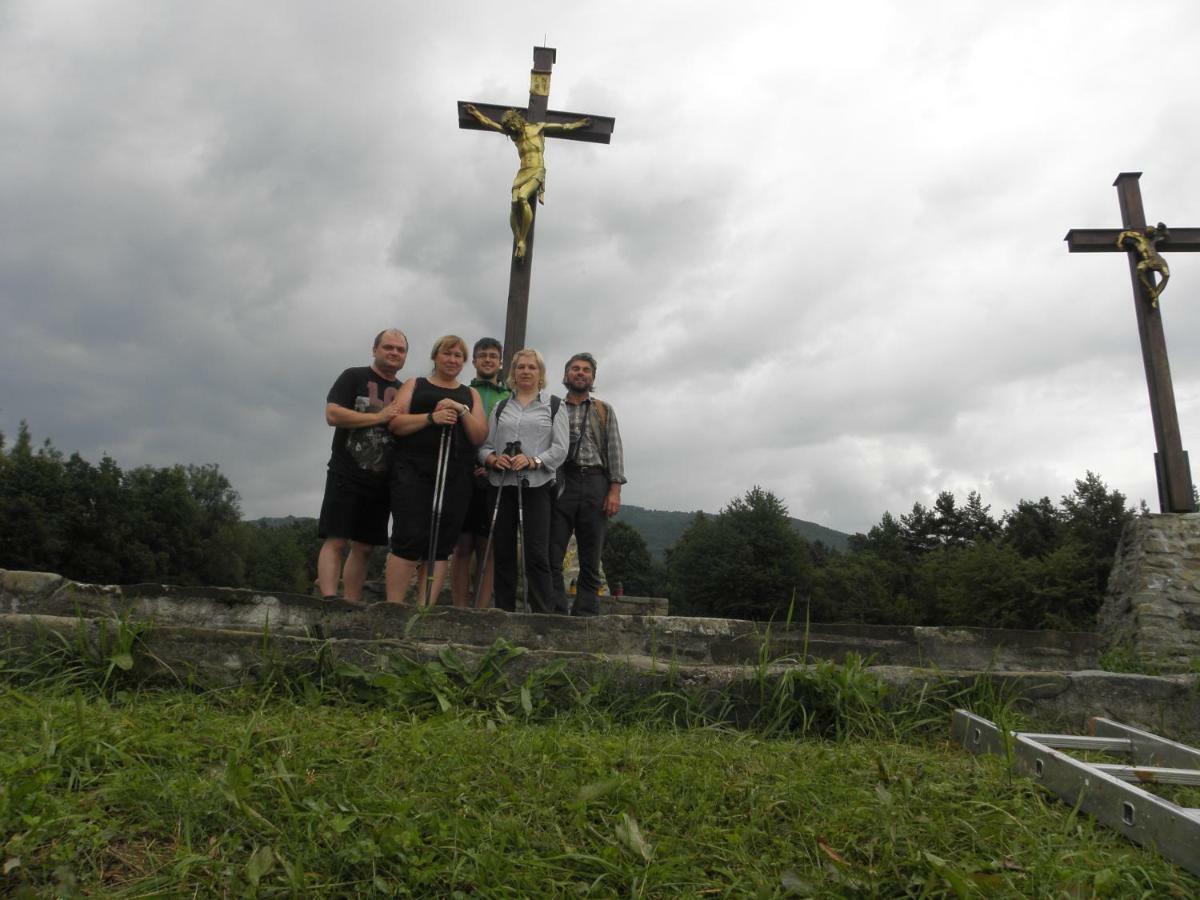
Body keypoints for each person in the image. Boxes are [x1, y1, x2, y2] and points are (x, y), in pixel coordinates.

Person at [384, 336, 487, 606]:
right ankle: (393, 607)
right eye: (447, 354)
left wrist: (461, 411)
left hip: (455, 475)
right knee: (408, 536)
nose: (452, 360)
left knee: (441, 545)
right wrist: (432, 417)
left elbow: (479, 435)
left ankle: (424, 612)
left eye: (458, 356)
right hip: (413, 470)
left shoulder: (470, 394)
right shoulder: (415, 385)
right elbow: (395, 424)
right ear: (435, 356)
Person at [316, 329, 408, 603]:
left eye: (400, 350)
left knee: (365, 547)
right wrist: (378, 416)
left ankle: (351, 603)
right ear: (375, 349)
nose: (393, 353)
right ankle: (330, 600)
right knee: (336, 539)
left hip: (382, 479)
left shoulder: (405, 391)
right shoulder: (353, 376)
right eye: (388, 347)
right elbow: (332, 414)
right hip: (347, 470)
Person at [478, 349, 569, 613]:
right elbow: (484, 446)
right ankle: (505, 614)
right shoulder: (501, 406)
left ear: (540, 374)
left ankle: (542, 617)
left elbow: (561, 449)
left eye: (532, 367)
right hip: (501, 486)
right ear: (513, 373)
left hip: (536, 487)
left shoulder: (553, 405)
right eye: (520, 367)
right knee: (503, 553)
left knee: (537, 554)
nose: (526, 371)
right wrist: (494, 459)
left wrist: (533, 461)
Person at [548, 353, 626, 616]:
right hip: (561, 481)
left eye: (585, 370)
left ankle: (586, 613)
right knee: (553, 550)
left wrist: (614, 489)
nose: (580, 373)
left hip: (595, 481)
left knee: (591, 553)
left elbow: (614, 449)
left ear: (592, 377)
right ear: (566, 375)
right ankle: (555, 610)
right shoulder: (553, 408)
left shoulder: (603, 410)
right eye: (574, 369)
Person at [462, 104, 591, 259]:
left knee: (523, 198)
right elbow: (489, 123)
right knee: (514, 204)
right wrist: (475, 112)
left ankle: (522, 241)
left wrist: (580, 124)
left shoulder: (537, 128)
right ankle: (519, 240)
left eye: (513, 124)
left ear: (517, 120)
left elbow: (564, 127)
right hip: (522, 172)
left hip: (536, 170)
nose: (512, 128)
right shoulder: (515, 136)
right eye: (510, 127)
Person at [450, 338, 510, 608]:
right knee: (461, 547)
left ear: (500, 362)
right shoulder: (462, 392)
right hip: (462, 473)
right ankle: (460, 608)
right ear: (473, 361)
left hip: (495, 476)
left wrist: (490, 463)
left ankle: (481, 610)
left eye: (493, 356)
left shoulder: (509, 397)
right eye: (482, 355)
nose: (488, 360)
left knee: (489, 548)